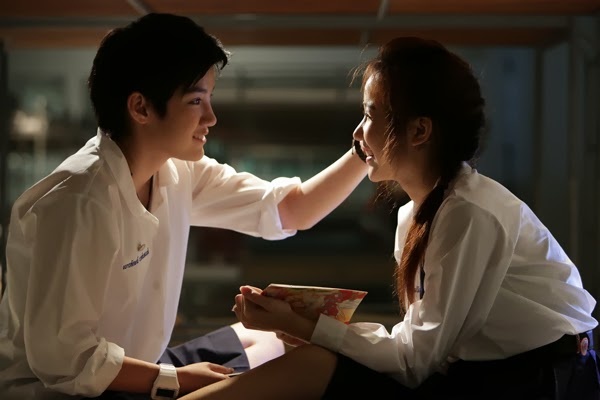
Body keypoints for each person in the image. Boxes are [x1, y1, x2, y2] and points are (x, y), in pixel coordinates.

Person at [179, 37, 600, 400]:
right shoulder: (415, 215)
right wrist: (303, 325)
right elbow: (417, 346)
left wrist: (306, 325)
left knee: (312, 365)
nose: (357, 134)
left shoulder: (470, 213)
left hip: (541, 379)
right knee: (300, 356)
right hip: (486, 371)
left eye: (369, 115)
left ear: (419, 132)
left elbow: (415, 360)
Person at [0, 13, 369, 400]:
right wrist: (176, 379)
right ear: (141, 108)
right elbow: (65, 361)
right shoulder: (79, 201)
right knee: (312, 367)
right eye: (196, 101)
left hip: (138, 365)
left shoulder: (176, 170)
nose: (211, 117)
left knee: (277, 341)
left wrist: (365, 150)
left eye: (209, 99)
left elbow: (289, 209)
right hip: (69, 391)